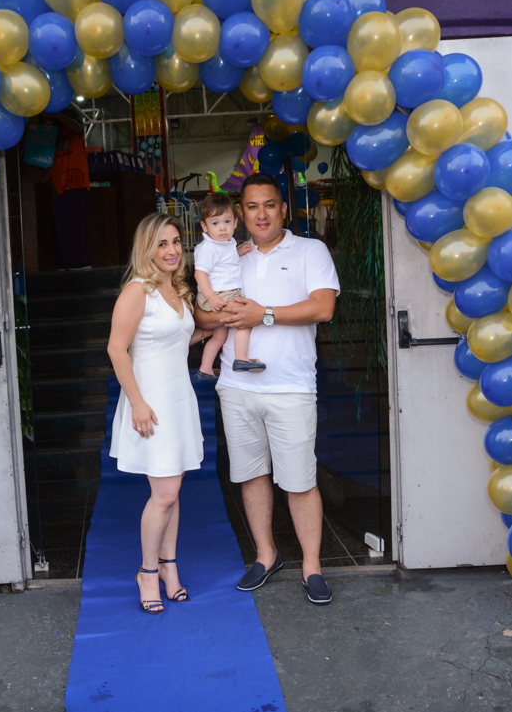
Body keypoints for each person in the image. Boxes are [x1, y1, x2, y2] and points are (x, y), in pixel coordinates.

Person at [194, 173, 340, 605]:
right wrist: (224, 316)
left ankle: (311, 566)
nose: (261, 214)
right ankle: (265, 555)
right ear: (241, 213)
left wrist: (264, 315)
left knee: (299, 480)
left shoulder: (310, 250)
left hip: (291, 387)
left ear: (284, 209)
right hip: (236, 386)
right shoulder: (229, 255)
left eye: (270, 205)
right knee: (251, 475)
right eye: (252, 207)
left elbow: (324, 307)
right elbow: (200, 317)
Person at [107, 212, 213, 614]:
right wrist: (136, 402)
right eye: (161, 244)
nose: (171, 251)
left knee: (172, 490)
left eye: (175, 242)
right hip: (149, 402)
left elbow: (178, 339)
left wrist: (217, 325)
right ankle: (147, 572)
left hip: (178, 399)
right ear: (146, 249)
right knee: (164, 494)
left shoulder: (177, 288)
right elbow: (117, 349)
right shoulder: (137, 290)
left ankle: (169, 566)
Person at [193, 193, 261, 380]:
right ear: (204, 226)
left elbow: (223, 263)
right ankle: (241, 359)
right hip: (217, 294)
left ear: (235, 222)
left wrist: (238, 252)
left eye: (227, 222)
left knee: (219, 337)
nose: (222, 228)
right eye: (215, 223)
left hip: (224, 293)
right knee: (245, 317)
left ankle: (205, 369)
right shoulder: (208, 248)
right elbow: (200, 274)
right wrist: (212, 298)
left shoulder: (226, 243)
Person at [49, 110, 91, 270]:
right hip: (59, 184)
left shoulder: (73, 126)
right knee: (63, 227)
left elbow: (77, 126)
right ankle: (67, 262)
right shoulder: (53, 132)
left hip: (76, 183)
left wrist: (57, 115)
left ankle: (82, 263)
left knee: (77, 226)